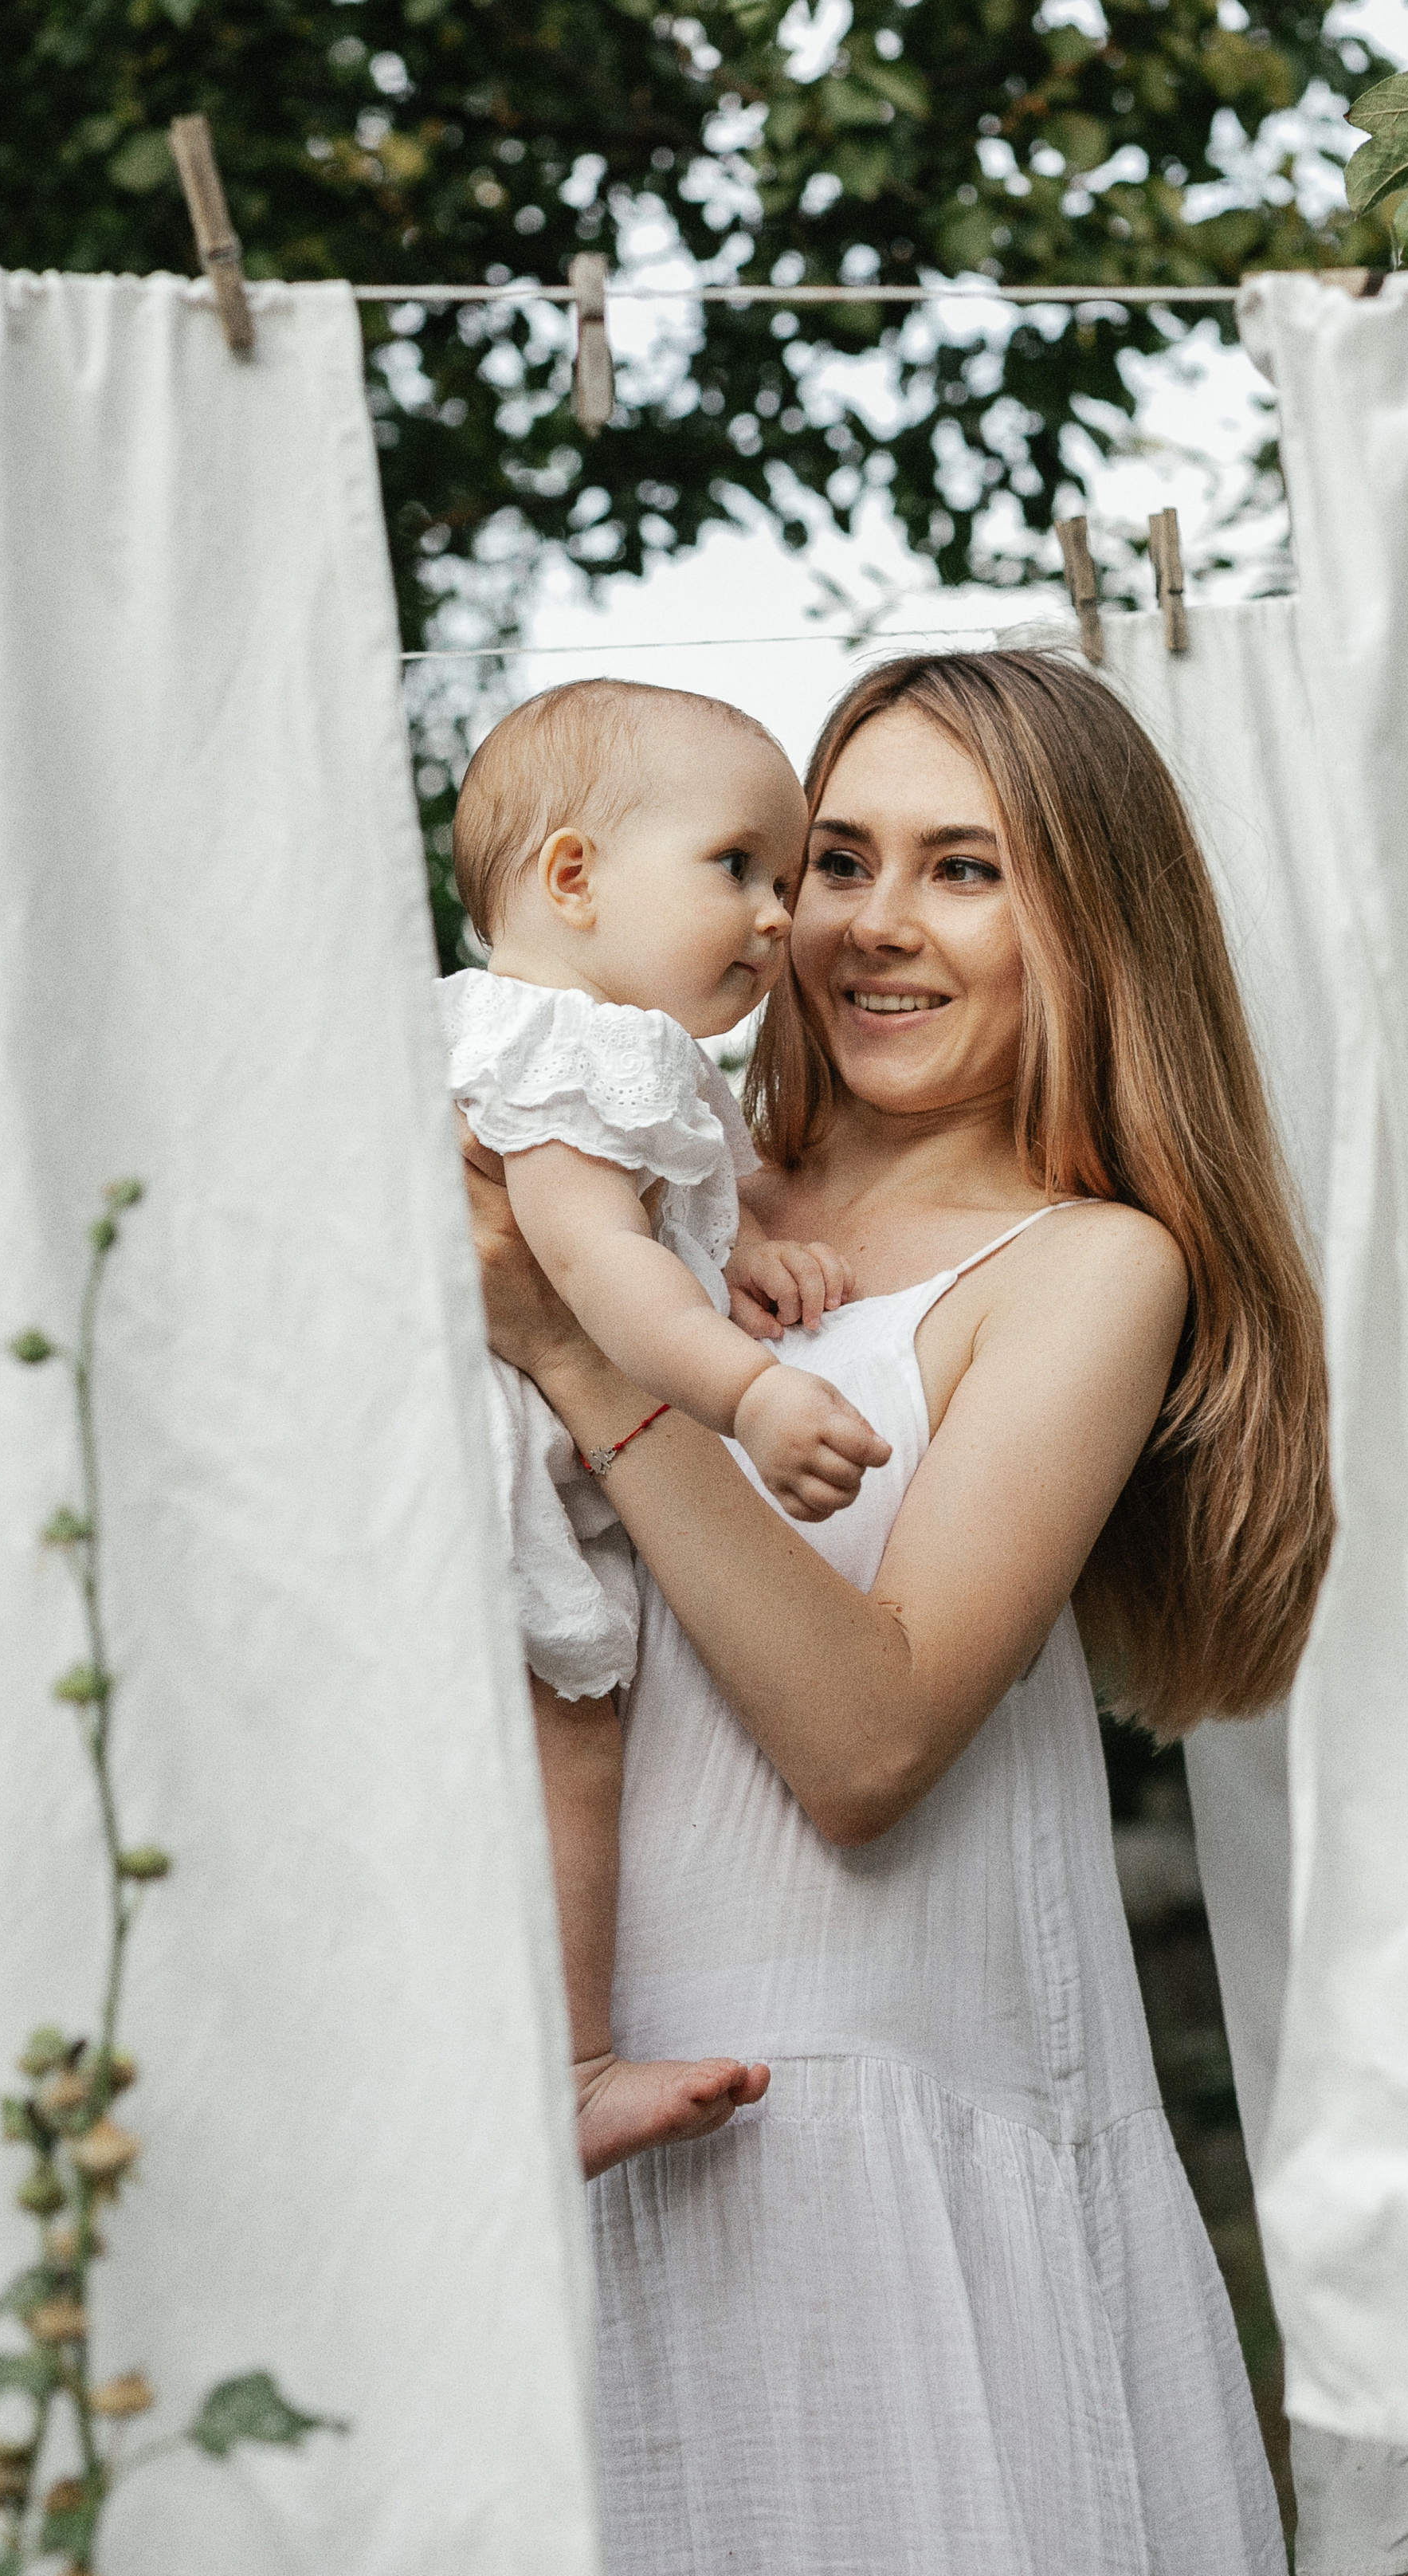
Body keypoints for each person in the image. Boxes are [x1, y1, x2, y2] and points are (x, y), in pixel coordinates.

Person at [466, 649, 1333, 2576]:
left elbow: (868, 1742)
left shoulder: (1085, 1270)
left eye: (963, 869)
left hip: (841, 2141)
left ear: (1087, 919)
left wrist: (584, 1360)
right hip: (531, 2107)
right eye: (834, 855)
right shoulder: (650, 1200)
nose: (860, 924)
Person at [439, 680, 888, 2179]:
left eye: (786, 879)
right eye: (738, 868)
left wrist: (745, 1243)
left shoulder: (550, 1046)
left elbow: (660, 1218)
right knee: (567, 1743)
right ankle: (572, 2069)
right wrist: (750, 1390)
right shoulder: (584, 1054)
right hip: (500, 1462)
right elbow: (596, 1267)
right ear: (572, 877)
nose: (779, 919)